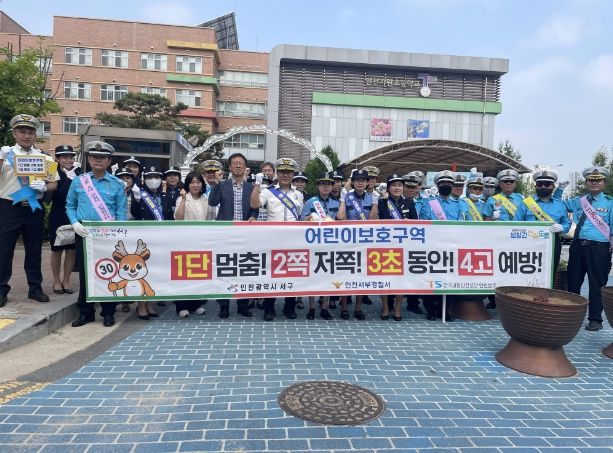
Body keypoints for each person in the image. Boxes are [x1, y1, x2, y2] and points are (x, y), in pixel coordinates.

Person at [0, 114, 59, 307]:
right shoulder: (5, 154)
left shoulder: (44, 157)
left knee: (34, 250)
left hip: (34, 207)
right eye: (22, 131)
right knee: (4, 250)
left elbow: (53, 184)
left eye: (30, 132)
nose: (26, 136)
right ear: (14, 133)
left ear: (35, 135)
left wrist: (44, 186)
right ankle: (1, 289)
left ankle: (35, 288)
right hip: (9, 207)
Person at [67, 141, 127, 327]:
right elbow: (70, 205)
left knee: (109, 272)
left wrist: (117, 234)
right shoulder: (79, 181)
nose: (98, 160)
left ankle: (108, 312)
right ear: (89, 159)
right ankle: (86, 312)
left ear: (109, 161)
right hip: (84, 233)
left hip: (108, 236)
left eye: (103, 157)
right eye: (95, 157)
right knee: (85, 274)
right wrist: (75, 223)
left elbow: (121, 213)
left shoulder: (117, 184)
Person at [251, 157, 304, 321]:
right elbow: (254, 205)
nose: (285, 175)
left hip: (293, 240)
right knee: (271, 274)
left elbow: (299, 216)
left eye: (289, 172)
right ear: (276, 173)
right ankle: (269, 308)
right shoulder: (268, 191)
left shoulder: (298, 195)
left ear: (293, 174)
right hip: (273, 240)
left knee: (292, 273)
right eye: (282, 171)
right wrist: (257, 184)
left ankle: (289, 307)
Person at [209, 152, 258, 318]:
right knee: (225, 269)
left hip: (245, 234)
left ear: (245, 167)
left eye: (241, 163)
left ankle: (242, 305)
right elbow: (212, 202)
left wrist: (253, 216)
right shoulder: (222, 185)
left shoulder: (251, 187)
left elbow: (255, 207)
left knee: (244, 269)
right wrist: (216, 184)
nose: (238, 165)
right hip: (225, 234)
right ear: (229, 167)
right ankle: (224, 305)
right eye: (235, 163)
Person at [565, 166, 613, 331]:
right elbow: (559, 205)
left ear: (604, 183)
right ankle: (571, 317)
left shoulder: (610, 202)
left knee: (597, 285)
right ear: (586, 182)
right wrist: (559, 190)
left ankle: (595, 319)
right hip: (578, 246)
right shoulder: (579, 201)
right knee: (573, 282)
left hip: (599, 248)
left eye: (598, 180)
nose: (594, 183)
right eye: (591, 180)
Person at [371, 174, 418, 321]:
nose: (397, 188)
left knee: (400, 278)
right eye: (394, 185)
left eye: (399, 185)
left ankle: (397, 308)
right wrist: (382, 201)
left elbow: (417, 223)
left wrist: (409, 222)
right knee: (384, 277)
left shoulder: (409, 202)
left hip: (403, 246)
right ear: (388, 188)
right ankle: (385, 307)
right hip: (385, 245)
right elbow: (379, 220)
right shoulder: (383, 202)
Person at [422, 170, 466, 321]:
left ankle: (445, 308)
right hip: (433, 245)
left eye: (449, 183)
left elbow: (462, 224)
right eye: (443, 184)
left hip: (451, 246)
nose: (446, 186)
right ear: (438, 186)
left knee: (449, 277)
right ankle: (430, 309)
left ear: (452, 186)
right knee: (431, 277)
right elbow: (425, 221)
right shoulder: (430, 202)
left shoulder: (459, 204)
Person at [337, 169, 376, 320]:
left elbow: (373, 221)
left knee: (362, 275)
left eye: (363, 180)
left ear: (367, 183)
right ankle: (344, 307)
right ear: (352, 182)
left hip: (365, 242)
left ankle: (358, 308)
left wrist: (375, 203)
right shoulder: (346, 197)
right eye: (357, 180)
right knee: (345, 273)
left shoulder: (372, 198)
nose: (360, 183)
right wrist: (342, 200)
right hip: (347, 242)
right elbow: (340, 217)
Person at [513, 170, 569, 274]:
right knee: (527, 272)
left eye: (547, 184)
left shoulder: (560, 204)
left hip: (552, 243)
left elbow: (567, 224)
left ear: (553, 186)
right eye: (540, 184)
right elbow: (515, 224)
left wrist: (562, 227)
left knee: (550, 273)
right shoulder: (525, 203)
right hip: (528, 243)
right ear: (535, 186)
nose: (543, 186)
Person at [301, 172, 339, 320]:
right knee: (312, 275)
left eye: (329, 184)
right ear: (318, 186)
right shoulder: (310, 202)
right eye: (323, 184)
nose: (326, 187)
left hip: (330, 243)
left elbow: (341, 221)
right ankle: (311, 307)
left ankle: (325, 307)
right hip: (313, 243)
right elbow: (301, 221)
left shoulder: (336, 203)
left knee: (328, 275)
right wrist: (310, 217)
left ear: (332, 186)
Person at [173, 171, 209, 319]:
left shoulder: (205, 199)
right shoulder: (182, 198)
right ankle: (182, 306)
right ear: (187, 184)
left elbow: (210, 219)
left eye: (198, 182)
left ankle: (196, 304)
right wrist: (182, 199)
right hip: (184, 241)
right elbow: (178, 217)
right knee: (183, 275)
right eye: (192, 182)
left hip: (201, 242)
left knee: (198, 273)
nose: (195, 185)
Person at [49, 145, 80, 295]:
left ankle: (66, 281)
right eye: (64, 157)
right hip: (58, 214)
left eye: (71, 157)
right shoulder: (52, 172)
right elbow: (58, 195)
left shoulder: (78, 173)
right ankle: (56, 281)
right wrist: (67, 179)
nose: (68, 160)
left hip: (74, 216)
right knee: (56, 250)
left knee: (71, 250)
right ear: (57, 158)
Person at [114, 166, 138, 313]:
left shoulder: (137, 193)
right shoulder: (111, 192)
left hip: (132, 231)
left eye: (128, 178)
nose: (125, 180)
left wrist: (137, 199)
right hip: (115, 231)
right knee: (117, 265)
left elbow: (138, 213)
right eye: (121, 178)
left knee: (129, 265)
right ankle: (116, 295)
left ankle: (127, 299)